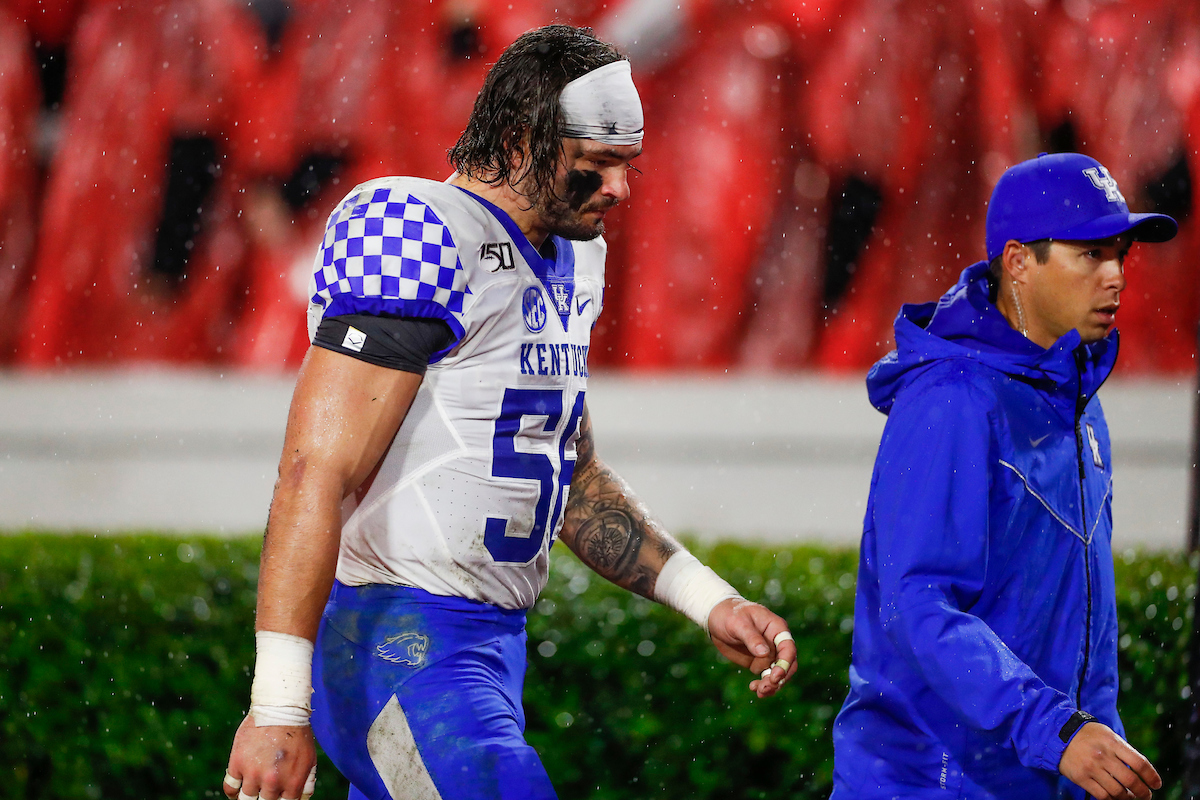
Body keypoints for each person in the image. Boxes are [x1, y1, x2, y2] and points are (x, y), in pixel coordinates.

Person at [221, 24, 798, 800]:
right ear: (524, 142)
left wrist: (708, 599)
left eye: (626, 165)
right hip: (398, 639)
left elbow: (570, 474)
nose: (620, 190)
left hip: (489, 650)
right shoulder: (421, 231)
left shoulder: (575, 254)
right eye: (596, 165)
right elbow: (311, 472)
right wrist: (278, 708)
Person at [830, 152, 1178, 799]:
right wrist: (1057, 729)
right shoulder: (951, 399)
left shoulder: (1077, 397)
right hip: (932, 785)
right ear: (1019, 261)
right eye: (1090, 255)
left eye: (1120, 255)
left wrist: (1090, 746)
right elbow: (919, 605)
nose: (1116, 278)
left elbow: (1079, 634)